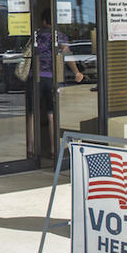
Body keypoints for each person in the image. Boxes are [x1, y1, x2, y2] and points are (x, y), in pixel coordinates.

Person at [35, 9, 84, 153]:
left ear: (44, 21)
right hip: (53, 78)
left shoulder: (36, 34)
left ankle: (31, 149)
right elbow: (67, 54)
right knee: (52, 114)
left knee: (32, 114)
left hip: (36, 78)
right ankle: (53, 149)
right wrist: (77, 72)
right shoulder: (59, 36)